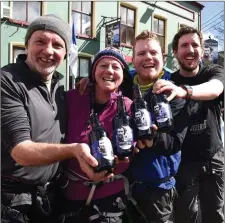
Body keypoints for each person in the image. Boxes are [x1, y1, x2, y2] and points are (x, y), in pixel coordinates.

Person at [77, 30, 194, 223]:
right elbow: (108, 75)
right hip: (121, 186)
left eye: (153, 53)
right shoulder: (125, 82)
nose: (148, 58)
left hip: (157, 190)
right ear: (134, 59)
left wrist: (150, 138)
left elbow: (175, 142)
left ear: (163, 57)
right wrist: (91, 80)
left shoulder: (174, 90)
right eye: (141, 53)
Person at [1, 14, 104, 223]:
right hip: (12, 201)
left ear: (65, 53)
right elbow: (21, 151)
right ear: (27, 44)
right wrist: (74, 150)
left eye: (57, 45)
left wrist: (94, 87)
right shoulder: (7, 81)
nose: (48, 51)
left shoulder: (59, 87)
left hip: (51, 197)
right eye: (40, 41)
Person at [153, 26, 224, 223]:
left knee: (216, 216)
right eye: (184, 45)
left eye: (195, 45)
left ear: (202, 50)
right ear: (175, 51)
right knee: (185, 217)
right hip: (183, 163)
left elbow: (216, 89)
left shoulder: (213, 71)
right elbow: (141, 74)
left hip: (214, 158)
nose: (190, 50)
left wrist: (186, 91)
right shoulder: (170, 80)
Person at [57, 47, 136, 223]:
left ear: (122, 75)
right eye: (103, 65)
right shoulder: (73, 97)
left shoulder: (128, 106)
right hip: (70, 198)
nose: (109, 70)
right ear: (93, 73)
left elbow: (130, 149)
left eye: (116, 67)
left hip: (109, 201)